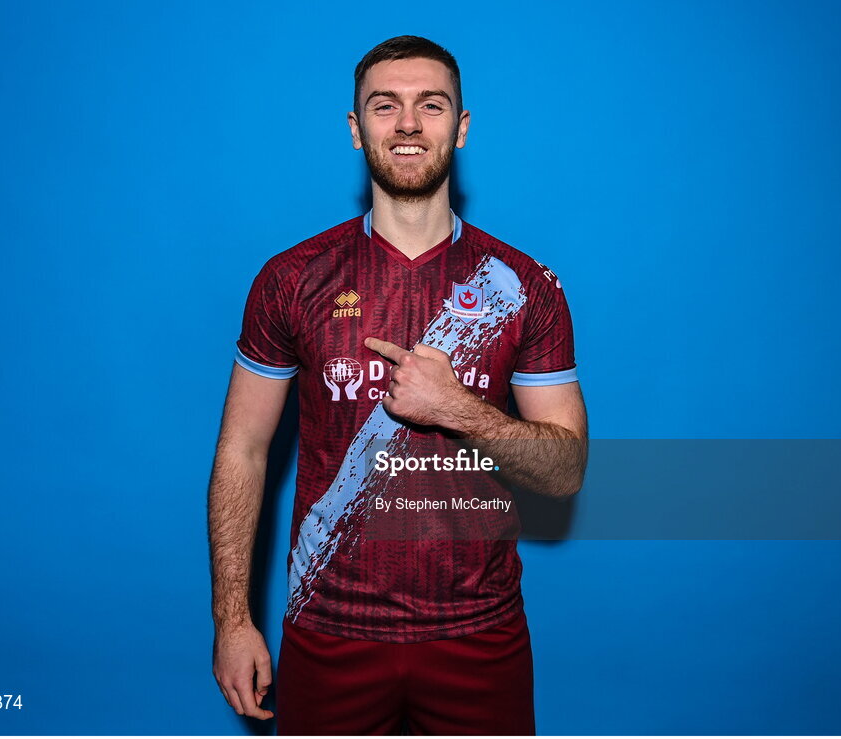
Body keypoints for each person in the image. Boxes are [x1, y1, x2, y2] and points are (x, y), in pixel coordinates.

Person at [208, 35, 588, 735]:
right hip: (329, 631)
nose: (408, 124)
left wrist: (461, 410)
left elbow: (565, 468)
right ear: (357, 131)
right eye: (385, 107)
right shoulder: (291, 280)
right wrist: (233, 620)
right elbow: (243, 449)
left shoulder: (524, 287)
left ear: (461, 127)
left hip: (480, 634)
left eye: (430, 105)